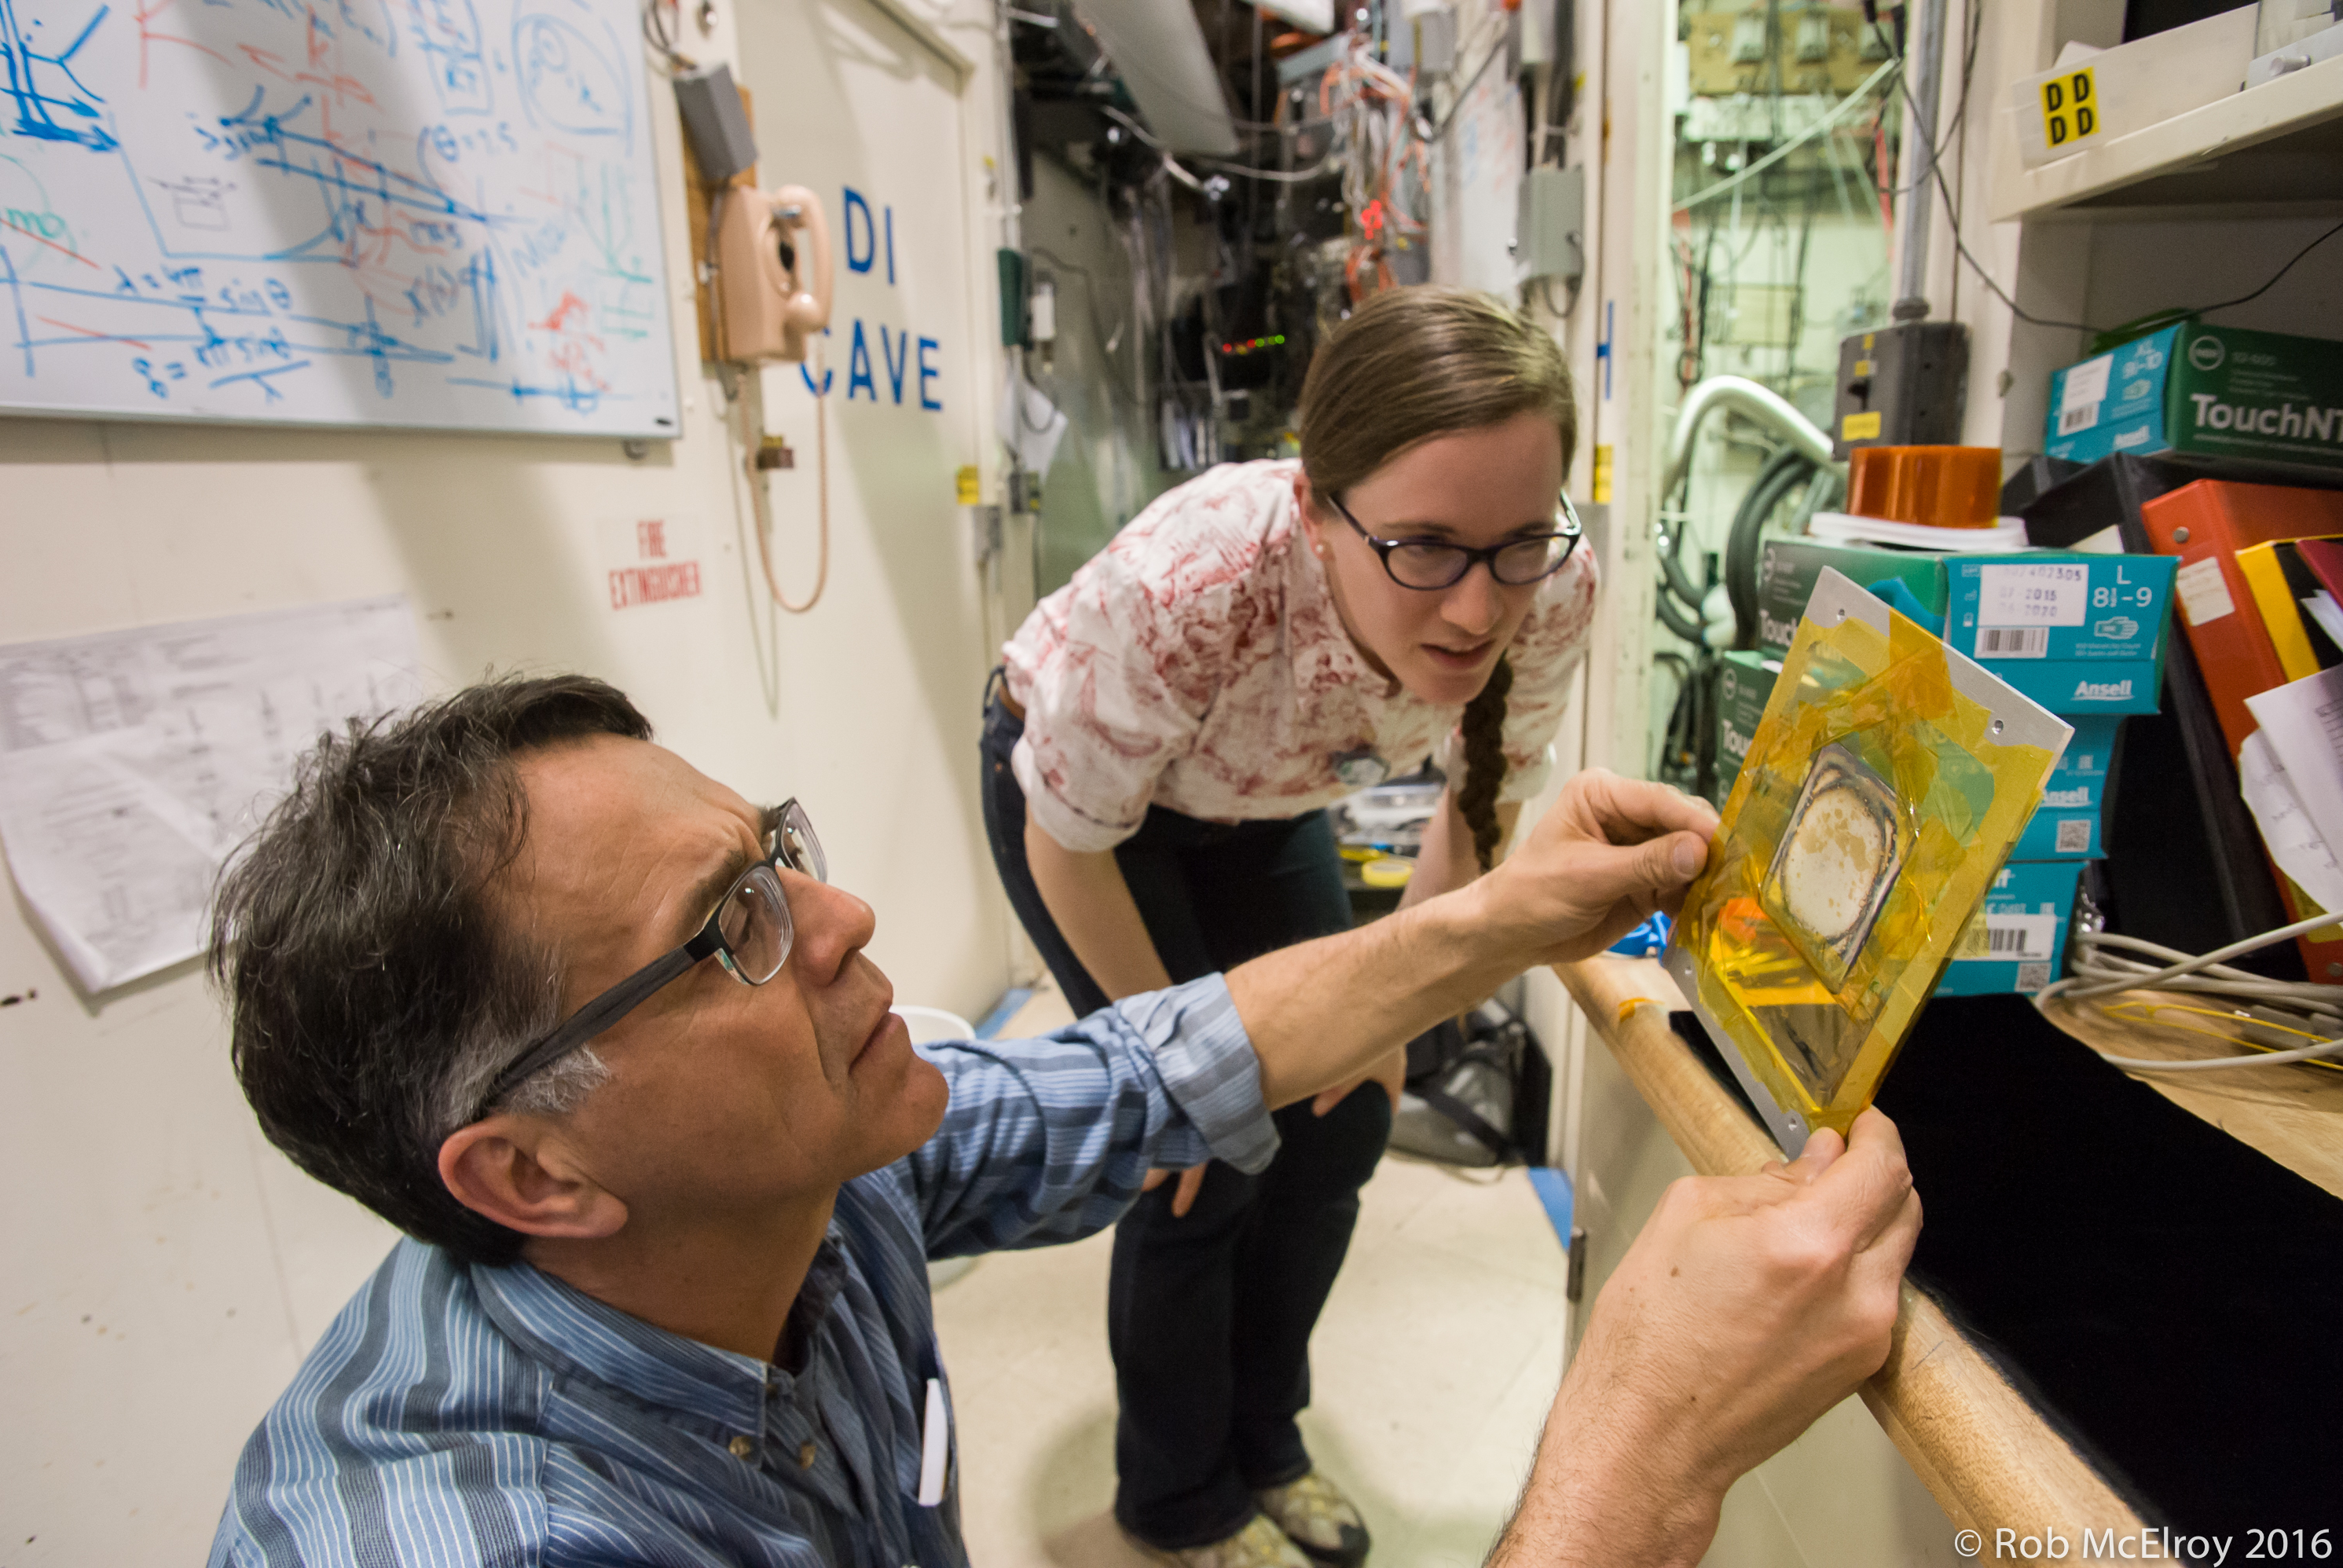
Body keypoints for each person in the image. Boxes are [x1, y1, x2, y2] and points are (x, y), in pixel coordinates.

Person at [206, 674, 1922, 1568]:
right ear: (532, 1167)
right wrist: (1644, 1449)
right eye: (727, 929)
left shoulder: (787, 1183)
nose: (844, 914)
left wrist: (1490, 920)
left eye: (776, 851)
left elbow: (1144, 1072)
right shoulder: (508, 1534)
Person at [982, 285, 1595, 1565]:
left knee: (1343, 1121)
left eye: (1516, 545)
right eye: (1424, 547)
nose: (1478, 609)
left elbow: (1480, 807)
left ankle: (1269, 1439)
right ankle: (1178, 1496)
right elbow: (1068, 841)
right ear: (1317, 512)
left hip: (1268, 804)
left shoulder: (1552, 582)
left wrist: (1401, 1002)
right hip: (1094, 819)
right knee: (1204, 1161)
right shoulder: (1194, 581)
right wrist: (1183, 1078)